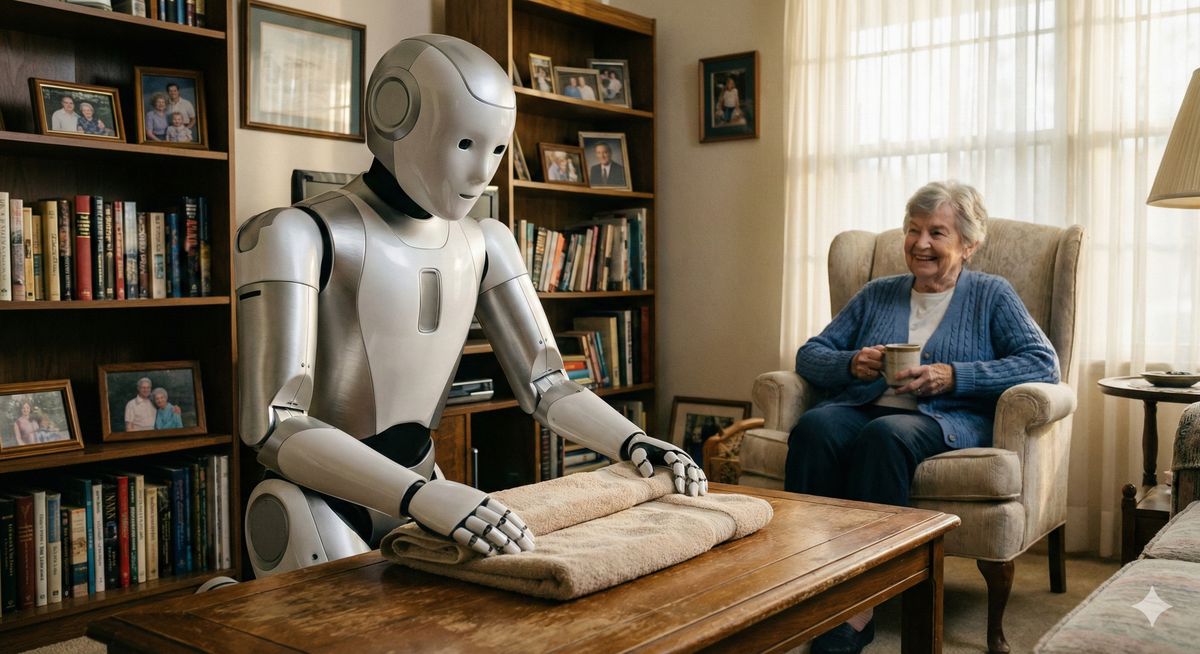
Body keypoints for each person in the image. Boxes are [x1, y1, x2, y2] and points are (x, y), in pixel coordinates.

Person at [230, 34, 704, 581]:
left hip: (427, 485)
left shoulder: (487, 241)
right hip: (318, 496)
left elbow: (548, 384)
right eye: (463, 144)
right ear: (392, 115)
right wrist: (416, 497)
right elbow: (271, 423)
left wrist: (632, 440)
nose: (483, 173)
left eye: (497, 149)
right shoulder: (298, 232)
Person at [785, 180, 1059, 653]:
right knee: (815, 427)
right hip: (863, 405)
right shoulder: (878, 293)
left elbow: (1042, 362)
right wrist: (851, 362)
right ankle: (809, 583)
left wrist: (953, 376)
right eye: (913, 230)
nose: (921, 243)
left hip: (944, 418)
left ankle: (862, 603)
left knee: (885, 436)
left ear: (968, 245)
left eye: (938, 232)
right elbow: (810, 354)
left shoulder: (992, 294)